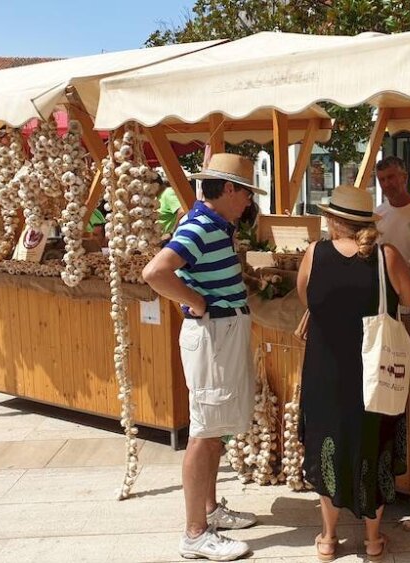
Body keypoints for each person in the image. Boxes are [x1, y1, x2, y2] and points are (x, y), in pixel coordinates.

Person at [142, 154, 265, 562]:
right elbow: (155, 272)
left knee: (215, 428)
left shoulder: (212, 223)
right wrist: (196, 302)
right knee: (205, 432)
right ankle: (195, 533)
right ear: (229, 189)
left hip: (221, 333)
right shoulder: (200, 225)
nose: (248, 202)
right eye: (246, 193)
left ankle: (210, 511)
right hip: (213, 335)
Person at [296, 185, 410, 562]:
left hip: (324, 371)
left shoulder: (314, 253)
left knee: (327, 449)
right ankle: (373, 540)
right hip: (372, 374)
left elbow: (305, 295)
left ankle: (329, 539)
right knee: (372, 449)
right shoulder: (386, 257)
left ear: (333, 220)